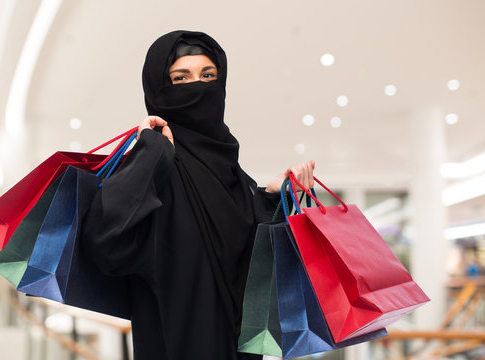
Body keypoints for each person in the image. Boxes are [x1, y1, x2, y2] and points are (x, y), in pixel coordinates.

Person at [81, 30, 315, 360]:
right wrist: (150, 155)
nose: (199, 86)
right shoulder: (154, 165)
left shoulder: (232, 173)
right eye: (181, 77)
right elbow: (104, 241)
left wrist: (271, 199)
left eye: (208, 75)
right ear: (159, 89)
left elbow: (250, 265)